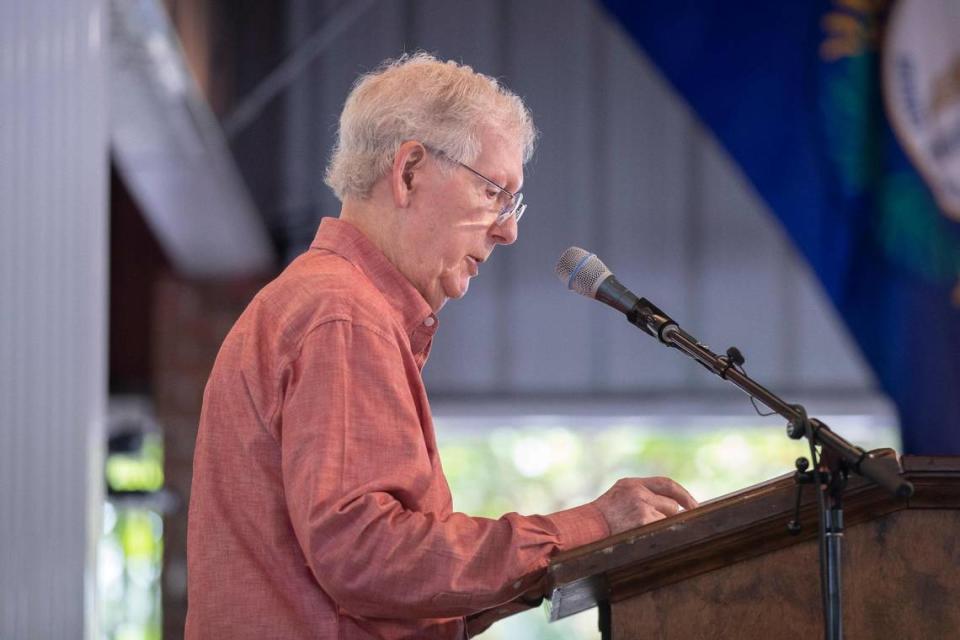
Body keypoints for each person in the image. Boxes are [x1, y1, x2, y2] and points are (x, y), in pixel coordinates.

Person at [185, 53, 697, 639]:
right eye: (495, 193)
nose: (509, 230)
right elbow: (365, 557)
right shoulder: (343, 314)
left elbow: (388, 592)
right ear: (409, 172)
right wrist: (587, 525)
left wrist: (573, 546)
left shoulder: (321, 305)